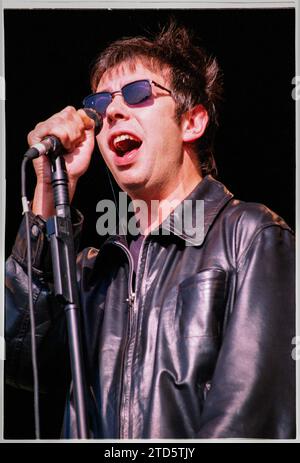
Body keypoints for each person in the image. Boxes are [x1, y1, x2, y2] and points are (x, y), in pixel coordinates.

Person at [5, 21, 295, 439]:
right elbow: (19, 359)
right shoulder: (92, 271)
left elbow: (250, 419)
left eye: (140, 94)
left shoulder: (251, 235)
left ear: (192, 122)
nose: (115, 112)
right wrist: (49, 190)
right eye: (100, 105)